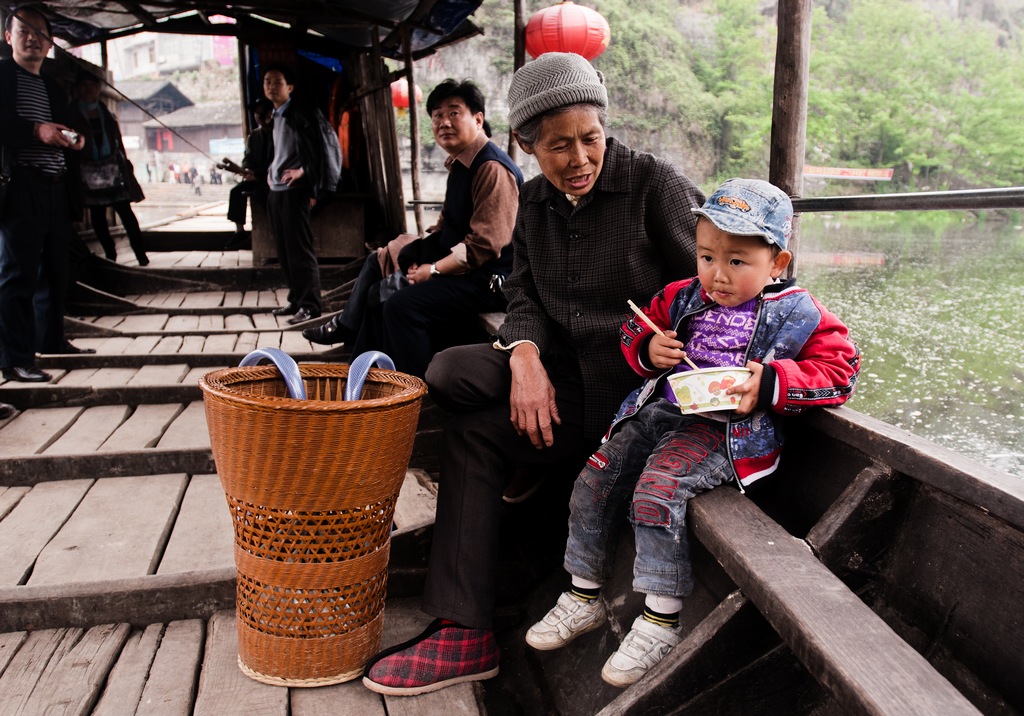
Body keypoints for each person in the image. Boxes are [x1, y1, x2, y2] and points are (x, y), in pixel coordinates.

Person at [361, 52, 705, 696]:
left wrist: (689, 341)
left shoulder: (651, 184)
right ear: (525, 144)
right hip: (570, 390)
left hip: (639, 401)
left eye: (590, 138)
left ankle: (522, 489)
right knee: (451, 374)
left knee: (476, 426)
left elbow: (726, 276)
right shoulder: (536, 201)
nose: (579, 158)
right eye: (557, 145)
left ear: (606, 129)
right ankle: (466, 633)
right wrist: (524, 358)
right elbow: (524, 300)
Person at [524, 178, 861, 687]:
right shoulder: (683, 296)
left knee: (658, 491)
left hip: (725, 429)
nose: (717, 275)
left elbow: (842, 371)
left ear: (778, 263)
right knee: (594, 477)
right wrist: (648, 349)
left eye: (736, 261)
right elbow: (638, 328)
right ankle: (583, 592)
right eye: (706, 257)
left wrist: (772, 382)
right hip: (662, 412)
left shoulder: (801, 313)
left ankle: (661, 619)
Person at [302, 79, 523, 378]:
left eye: (454, 113)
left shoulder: (491, 169)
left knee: (400, 305)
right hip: (466, 272)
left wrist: (432, 270)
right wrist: (420, 254)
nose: (444, 122)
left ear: (478, 118)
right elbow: (446, 226)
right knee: (382, 285)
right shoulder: (460, 166)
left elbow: (484, 244)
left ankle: (418, 388)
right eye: (437, 116)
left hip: (492, 280)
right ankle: (366, 374)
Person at [1, 6, 92, 383]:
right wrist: (35, 130)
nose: (32, 37)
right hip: (19, 185)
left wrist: (76, 138)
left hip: (55, 187)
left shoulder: (53, 85)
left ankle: (52, 339)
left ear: (50, 42)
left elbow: (69, 126)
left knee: (56, 269)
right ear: (8, 37)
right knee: (16, 274)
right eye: (23, 30)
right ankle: (15, 358)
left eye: (40, 32)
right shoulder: (3, 76)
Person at [263, 64, 341, 325]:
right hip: (276, 189)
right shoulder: (274, 115)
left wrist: (304, 172)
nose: (271, 86)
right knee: (284, 250)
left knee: (299, 249)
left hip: (295, 190)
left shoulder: (302, 112)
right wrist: (269, 171)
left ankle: (310, 305)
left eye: (277, 81)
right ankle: (296, 300)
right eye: (267, 81)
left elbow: (320, 147)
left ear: (290, 87)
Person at [67, 69, 149, 266]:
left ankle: (141, 255)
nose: (89, 90)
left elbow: (117, 143)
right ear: (78, 89)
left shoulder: (106, 113)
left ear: (98, 89)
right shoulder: (71, 114)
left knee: (126, 214)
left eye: (93, 86)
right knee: (97, 217)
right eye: (84, 86)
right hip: (86, 172)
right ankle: (110, 255)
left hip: (113, 171)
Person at [223, 98, 273, 250]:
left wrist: (257, 174)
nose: (257, 116)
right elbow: (248, 158)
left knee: (260, 194)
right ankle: (240, 232)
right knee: (236, 192)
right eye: (256, 113)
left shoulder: (278, 133)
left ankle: (269, 232)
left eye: (260, 113)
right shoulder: (254, 137)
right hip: (254, 176)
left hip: (271, 178)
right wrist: (245, 170)